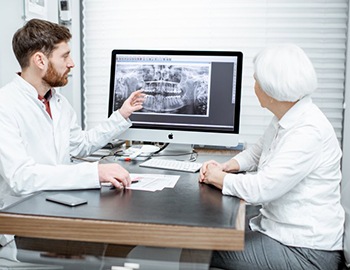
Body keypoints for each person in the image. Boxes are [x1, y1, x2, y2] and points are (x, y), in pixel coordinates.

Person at [0, 18, 145, 258]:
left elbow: (81, 144)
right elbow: (21, 178)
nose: (72, 63)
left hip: (58, 209)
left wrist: (121, 115)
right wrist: (94, 172)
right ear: (40, 60)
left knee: (127, 242)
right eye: (65, 56)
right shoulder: (5, 105)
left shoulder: (57, 102)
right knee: (119, 247)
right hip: (21, 226)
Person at [199, 44, 344, 270]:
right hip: (280, 231)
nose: (254, 86)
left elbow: (262, 188)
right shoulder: (287, 116)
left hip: (305, 251)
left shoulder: (308, 131)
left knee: (198, 248)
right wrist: (228, 166)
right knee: (212, 232)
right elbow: (258, 151)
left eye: (257, 81)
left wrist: (217, 178)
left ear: (272, 89)